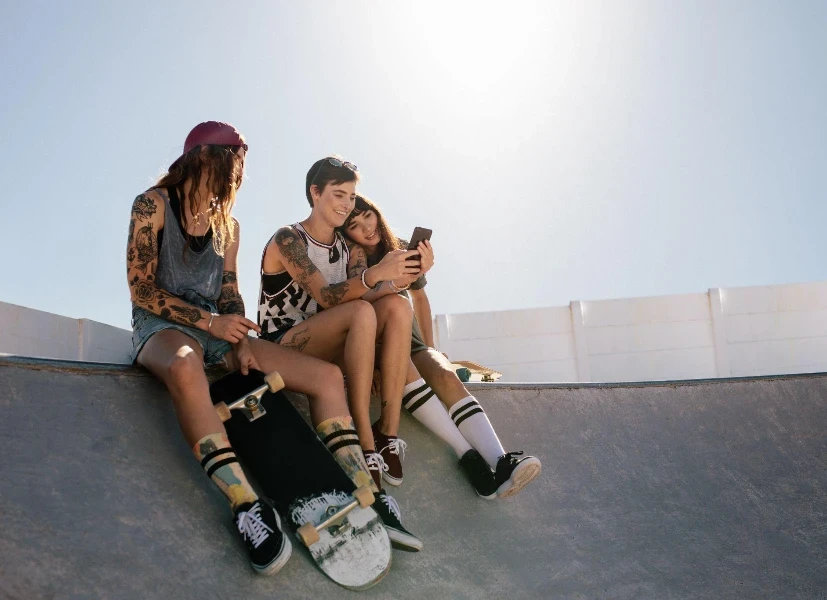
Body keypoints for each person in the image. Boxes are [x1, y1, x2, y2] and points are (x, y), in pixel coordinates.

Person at [126, 123, 393, 574]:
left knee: (326, 378)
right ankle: (247, 507)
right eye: (236, 162)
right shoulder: (151, 205)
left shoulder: (227, 225)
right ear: (207, 158)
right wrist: (211, 322)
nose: (239, 174)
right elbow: (141, 290)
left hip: (221, 329)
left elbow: (229, 290)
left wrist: (241, 337)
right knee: (186, 366)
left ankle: (364, 487)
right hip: (162, 324)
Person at [257, 156, 422, 550]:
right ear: (315, 193)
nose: (347, 205)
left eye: (351, 196)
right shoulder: (289, 239)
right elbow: (329, 297)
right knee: (363, 310)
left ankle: (387, 436)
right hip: (284, 344)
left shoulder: (349, 250)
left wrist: (408, 275)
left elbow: (372, 291)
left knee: (398, 306)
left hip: (333, 341)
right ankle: (367, 449)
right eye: (338, 195)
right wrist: (374, 278)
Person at [340, 193, 542, 499]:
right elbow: (353, 304)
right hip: (378, 343)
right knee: (405, 367)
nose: (366, 228)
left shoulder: (399, 245)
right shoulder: (349, 256)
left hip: (413, 342)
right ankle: (468, 455)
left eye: (367, 215)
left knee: (443, 373)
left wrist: (432, 349)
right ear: (346, 233)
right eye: (354, 225)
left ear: (375, 212)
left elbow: (419, 299)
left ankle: (500, 462)